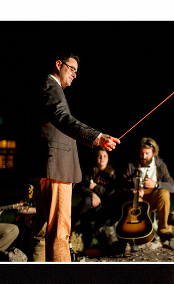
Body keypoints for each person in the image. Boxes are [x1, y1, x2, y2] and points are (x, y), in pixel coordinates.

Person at [29, 51, 119, 261]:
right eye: (71, 69)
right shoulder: (50, 86)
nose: (74, 75)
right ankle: (63, 277)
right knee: (60, 230)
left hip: (50, 167)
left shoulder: (49, 88)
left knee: (43, 227)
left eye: (76, 72)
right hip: (56, 168)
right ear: (58, 64)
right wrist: (97, 137)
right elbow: (63, 118)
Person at [122, 138, 174, 238]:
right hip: (137, 202)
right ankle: (140, 232)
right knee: (136, 199)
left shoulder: (160, 165)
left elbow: (172, 187)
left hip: (152, 200)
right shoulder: (131, 165)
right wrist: (134, 190)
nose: (144, 156)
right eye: (141, 153)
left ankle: (163, 230)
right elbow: (122, 188)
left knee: (164, 193)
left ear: (153, 153)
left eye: (147, 153)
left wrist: (156, 184)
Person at [74, 146, 118, 249]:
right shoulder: (91, 171)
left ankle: (71, 221)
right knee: (86, 208)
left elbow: (110, 192)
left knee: (85, 208)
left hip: (106, 207)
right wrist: (93, 194)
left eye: (104, 156)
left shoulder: (112, 174)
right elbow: (83, 188)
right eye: (99, 156)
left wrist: (95, 188)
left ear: (108, 158)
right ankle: (88, 248)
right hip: (92, 205)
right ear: (95, 158)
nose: (102, 159)